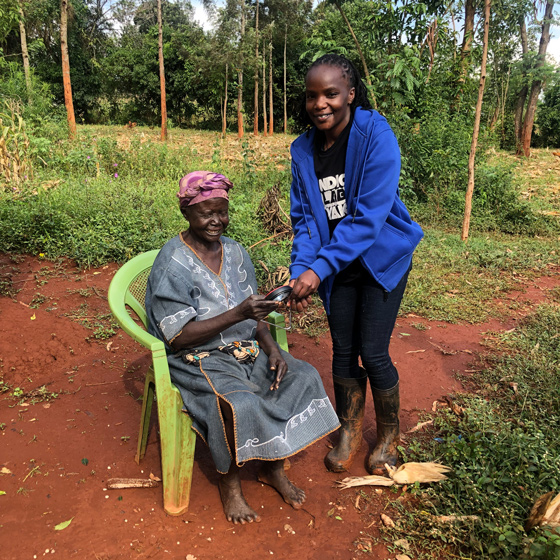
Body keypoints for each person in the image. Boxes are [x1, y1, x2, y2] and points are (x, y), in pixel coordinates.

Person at [145, 171, 340, 524]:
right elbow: (178, 337)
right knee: (238, 402)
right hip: (196, 357)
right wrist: (237, 313)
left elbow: (256, 312)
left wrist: (273, 349)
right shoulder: (171, 262)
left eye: (222, 211)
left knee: (302, 376)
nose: (216, 221)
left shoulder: (234, 251)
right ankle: (229, 483)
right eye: (206, 213)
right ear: (186, 212)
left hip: (245, 347)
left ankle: (272, 466)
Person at [288, 54, 424, 475]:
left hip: (381, 259)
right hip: (337, 265)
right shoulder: (302, 149)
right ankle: (348, 431)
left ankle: (386, 438)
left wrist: (317, 269)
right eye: (312, 96)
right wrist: (301, 271)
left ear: (350, 93)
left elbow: (368, 219)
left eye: (330, 93)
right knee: (344, 352)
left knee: (373, 351)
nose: (320, 103)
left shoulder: (375, 135)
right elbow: (307, 221)